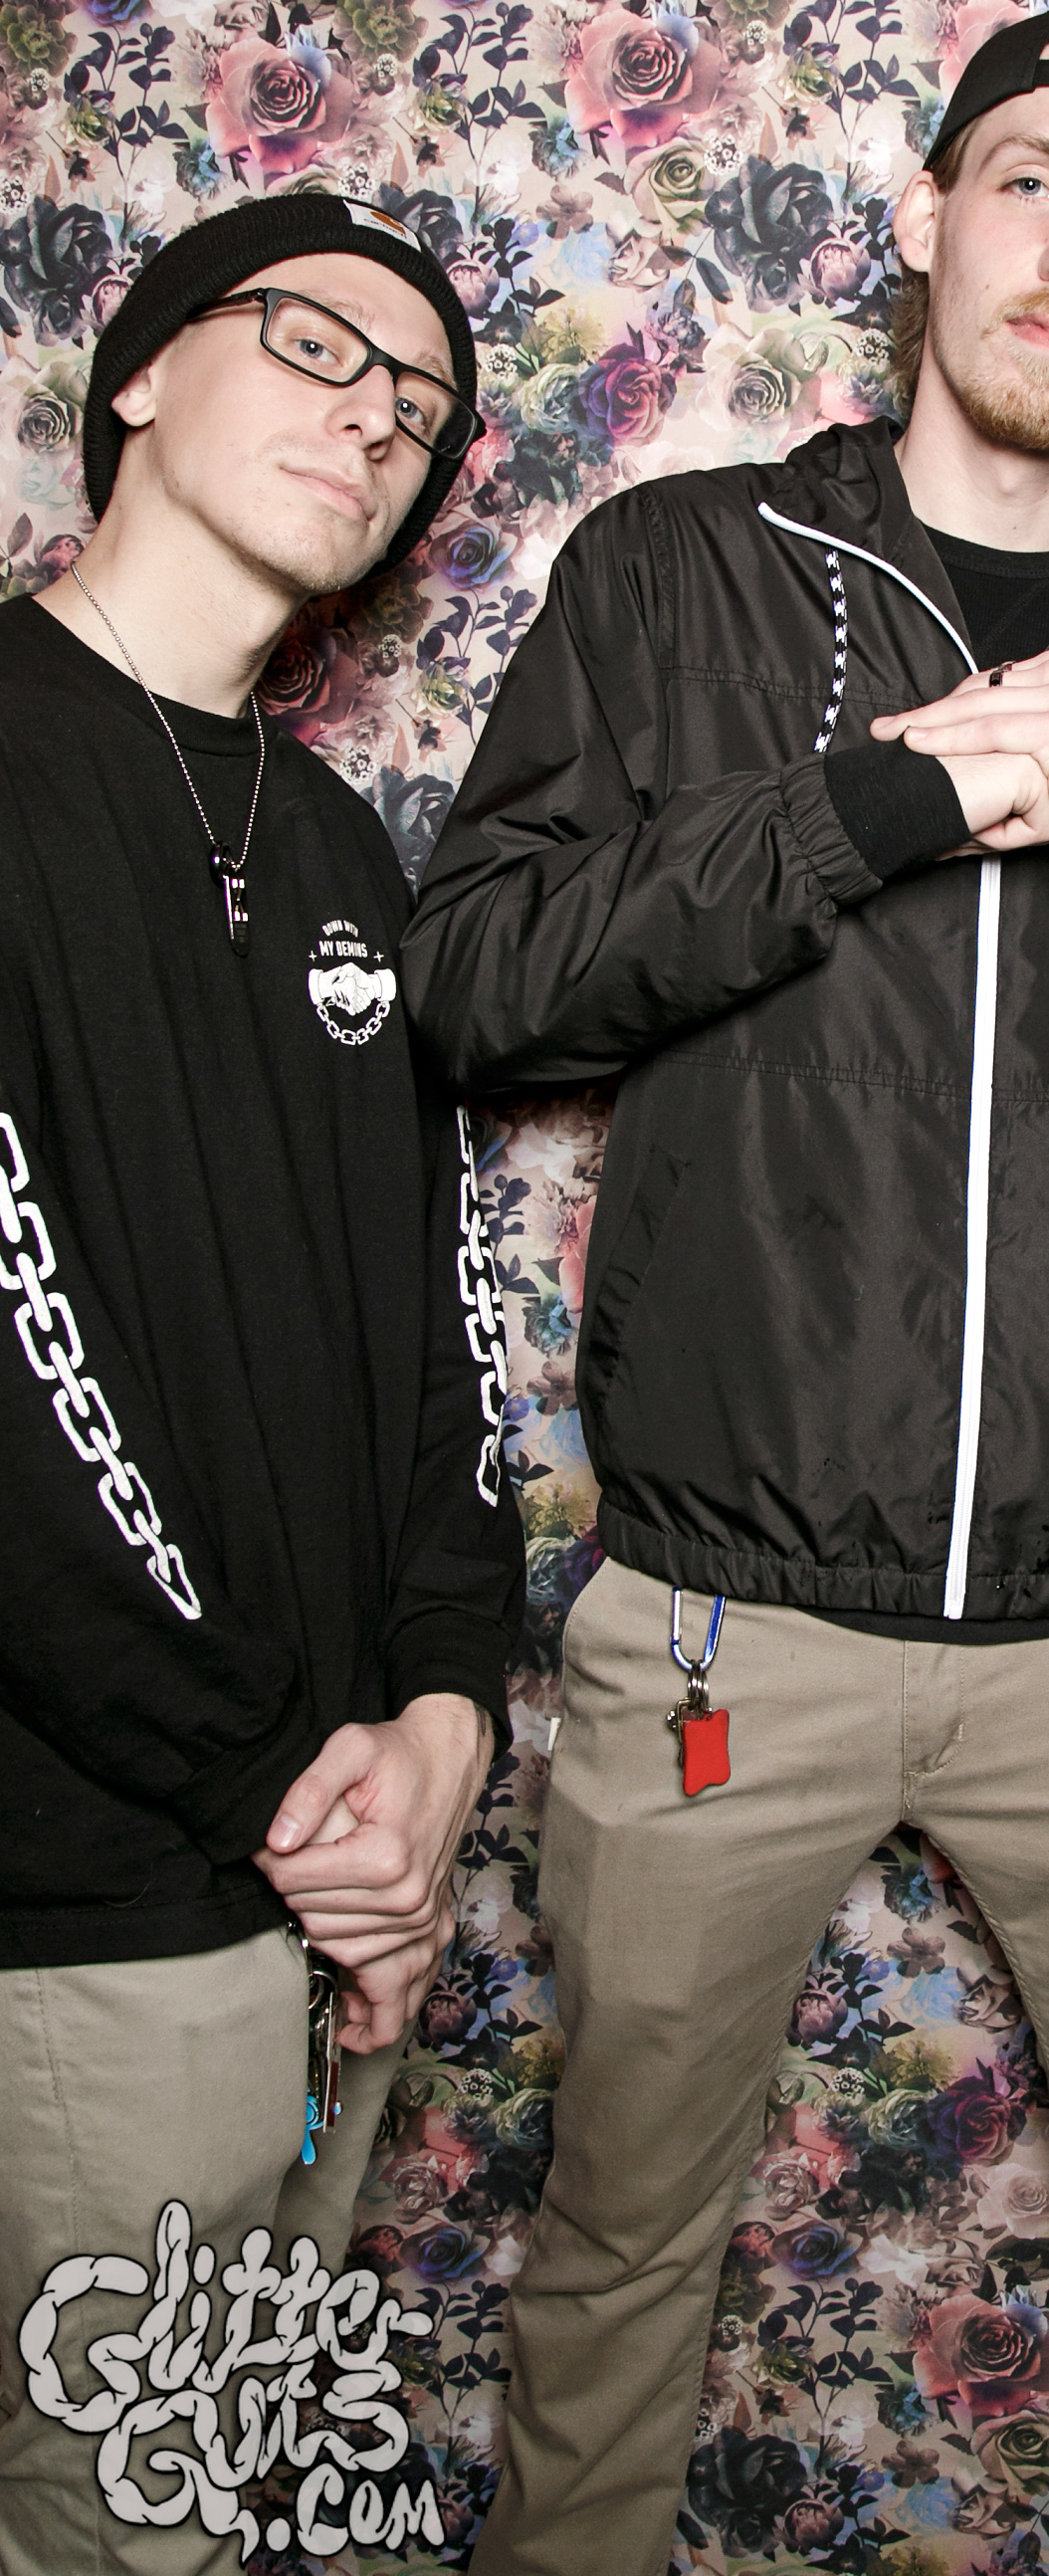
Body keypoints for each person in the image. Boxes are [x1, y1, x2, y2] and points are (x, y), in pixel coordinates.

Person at [401, 5, 1049, 2576]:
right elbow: (485, 983)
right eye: (1030, 181)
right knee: (620, 2238)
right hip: (726, 1622)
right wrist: (864, 805)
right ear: (924, 215)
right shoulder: (682, 572)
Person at [0, 192, 526, 2576]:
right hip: (96, 1886)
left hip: (335, 1886)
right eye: (318, 344)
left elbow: (431, 1333)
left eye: (416, 403)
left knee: (215, 2512)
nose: (373, 415)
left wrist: (442, 1723)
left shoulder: (335, 847)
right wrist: (274, 1789)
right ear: (138, 370)